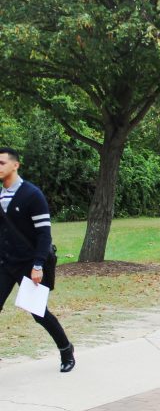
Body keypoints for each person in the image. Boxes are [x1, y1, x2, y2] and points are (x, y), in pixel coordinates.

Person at [0, 147, 76, 372]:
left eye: (2, 163)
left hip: (28, 264)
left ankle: (66, 349)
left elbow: (44, 234)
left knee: (38, 313)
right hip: (5, 263)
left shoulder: (32, 195)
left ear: (16, 165)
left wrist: (38, 265)